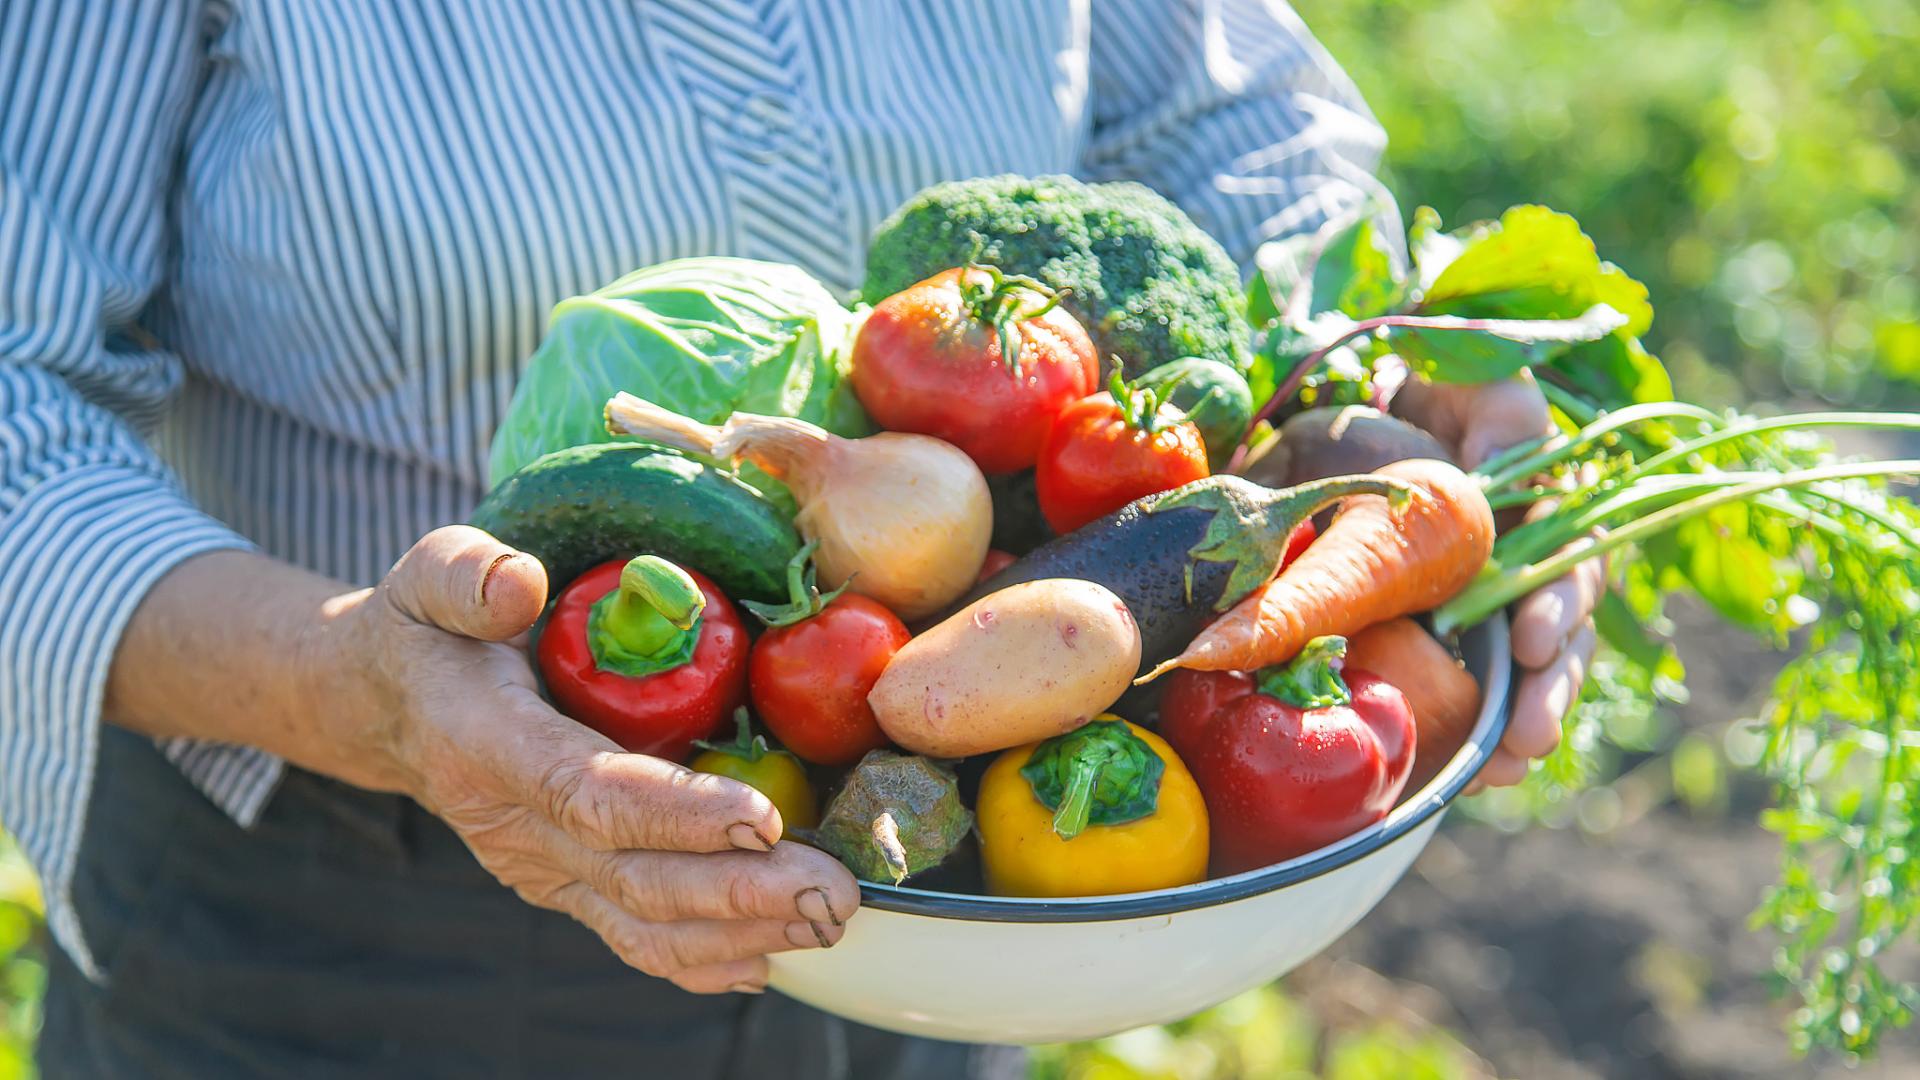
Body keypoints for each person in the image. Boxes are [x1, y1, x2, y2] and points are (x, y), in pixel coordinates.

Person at [0, 1, 1598, 1075]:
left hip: (937, 860)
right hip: (354, 931)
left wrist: (1386, 383)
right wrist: (365, 684)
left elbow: (1227, 118)